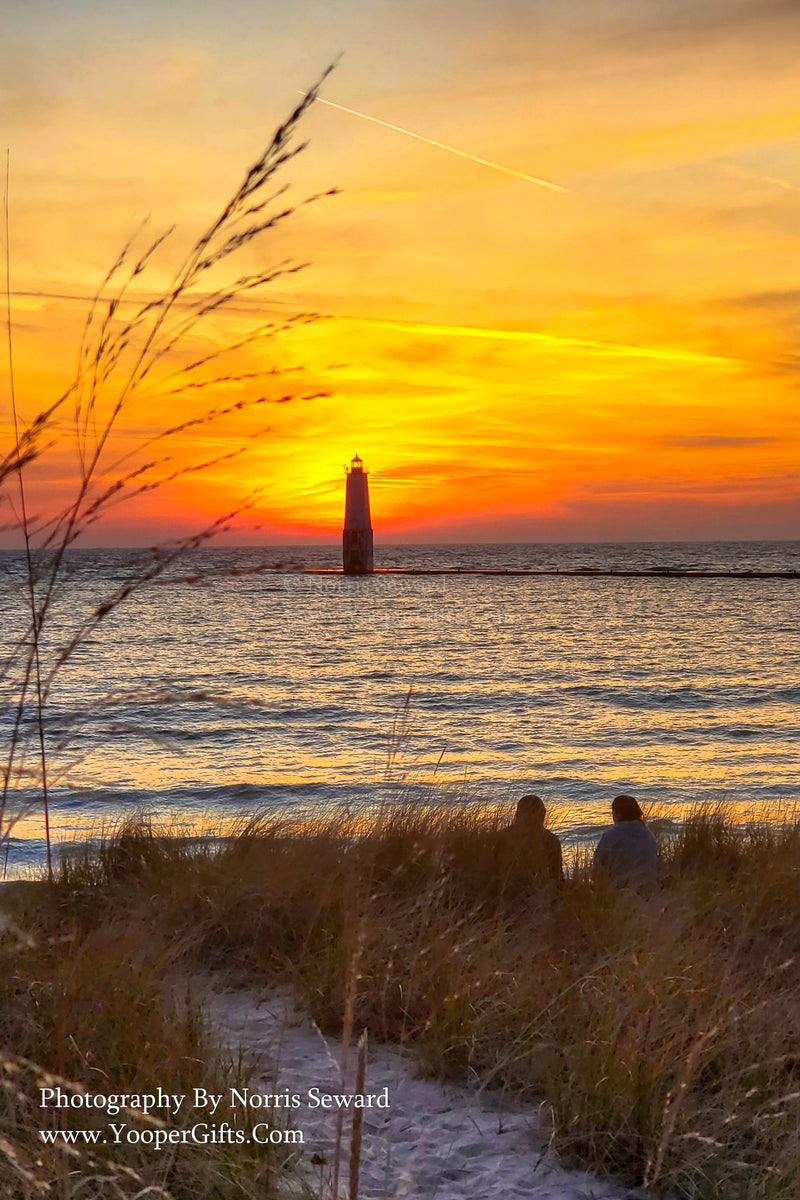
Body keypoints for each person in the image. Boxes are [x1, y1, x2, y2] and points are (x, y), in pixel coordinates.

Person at [593, 794, 659, 889]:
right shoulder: (648, 835)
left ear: (617, 813)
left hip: (622, 889)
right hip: (649, 888)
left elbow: (597, 870)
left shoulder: (610, 835)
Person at [513, 794, 563, 882]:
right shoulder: (550, 840)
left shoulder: (500, 837)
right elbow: (557, 877)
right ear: (542, 815)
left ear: (517, 814)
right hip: (538, 891)